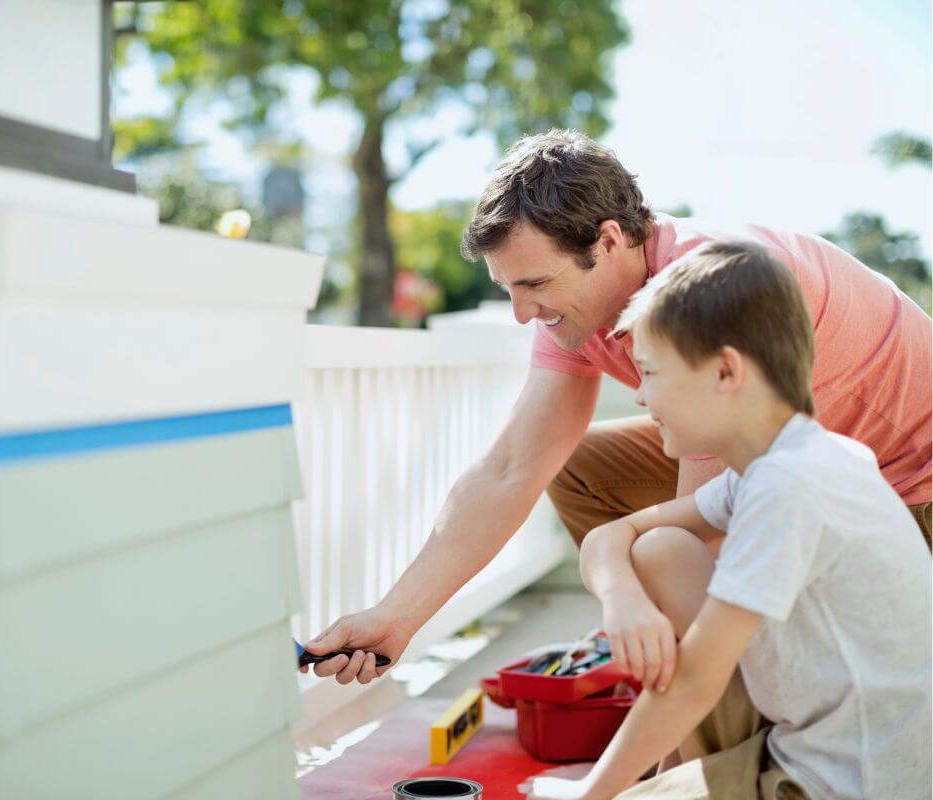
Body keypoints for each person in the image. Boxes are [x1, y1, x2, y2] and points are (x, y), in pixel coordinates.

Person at [300, 129, 931, 688]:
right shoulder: (580, 306)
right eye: (508, 289)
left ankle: (716, 715)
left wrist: (643, 609)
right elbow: (513, 467)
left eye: (536, 285)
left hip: (906, 494)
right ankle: (668, 655)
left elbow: (693, 538)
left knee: (671, 560)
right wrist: (397, 616)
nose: (524, 314)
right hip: (791, 467)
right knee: (580, 466)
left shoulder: (710, 290)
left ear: (607, 241)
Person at [524, 241, 931, 800]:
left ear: (724, 372)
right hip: (807, 743)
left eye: (650, 371)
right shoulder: (786, 462)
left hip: (845, 781)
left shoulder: (791, 486)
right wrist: (623, 600)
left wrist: (591, 794)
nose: (640, 396)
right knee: (661, 549)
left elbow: (694, 680)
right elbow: (618, 534)